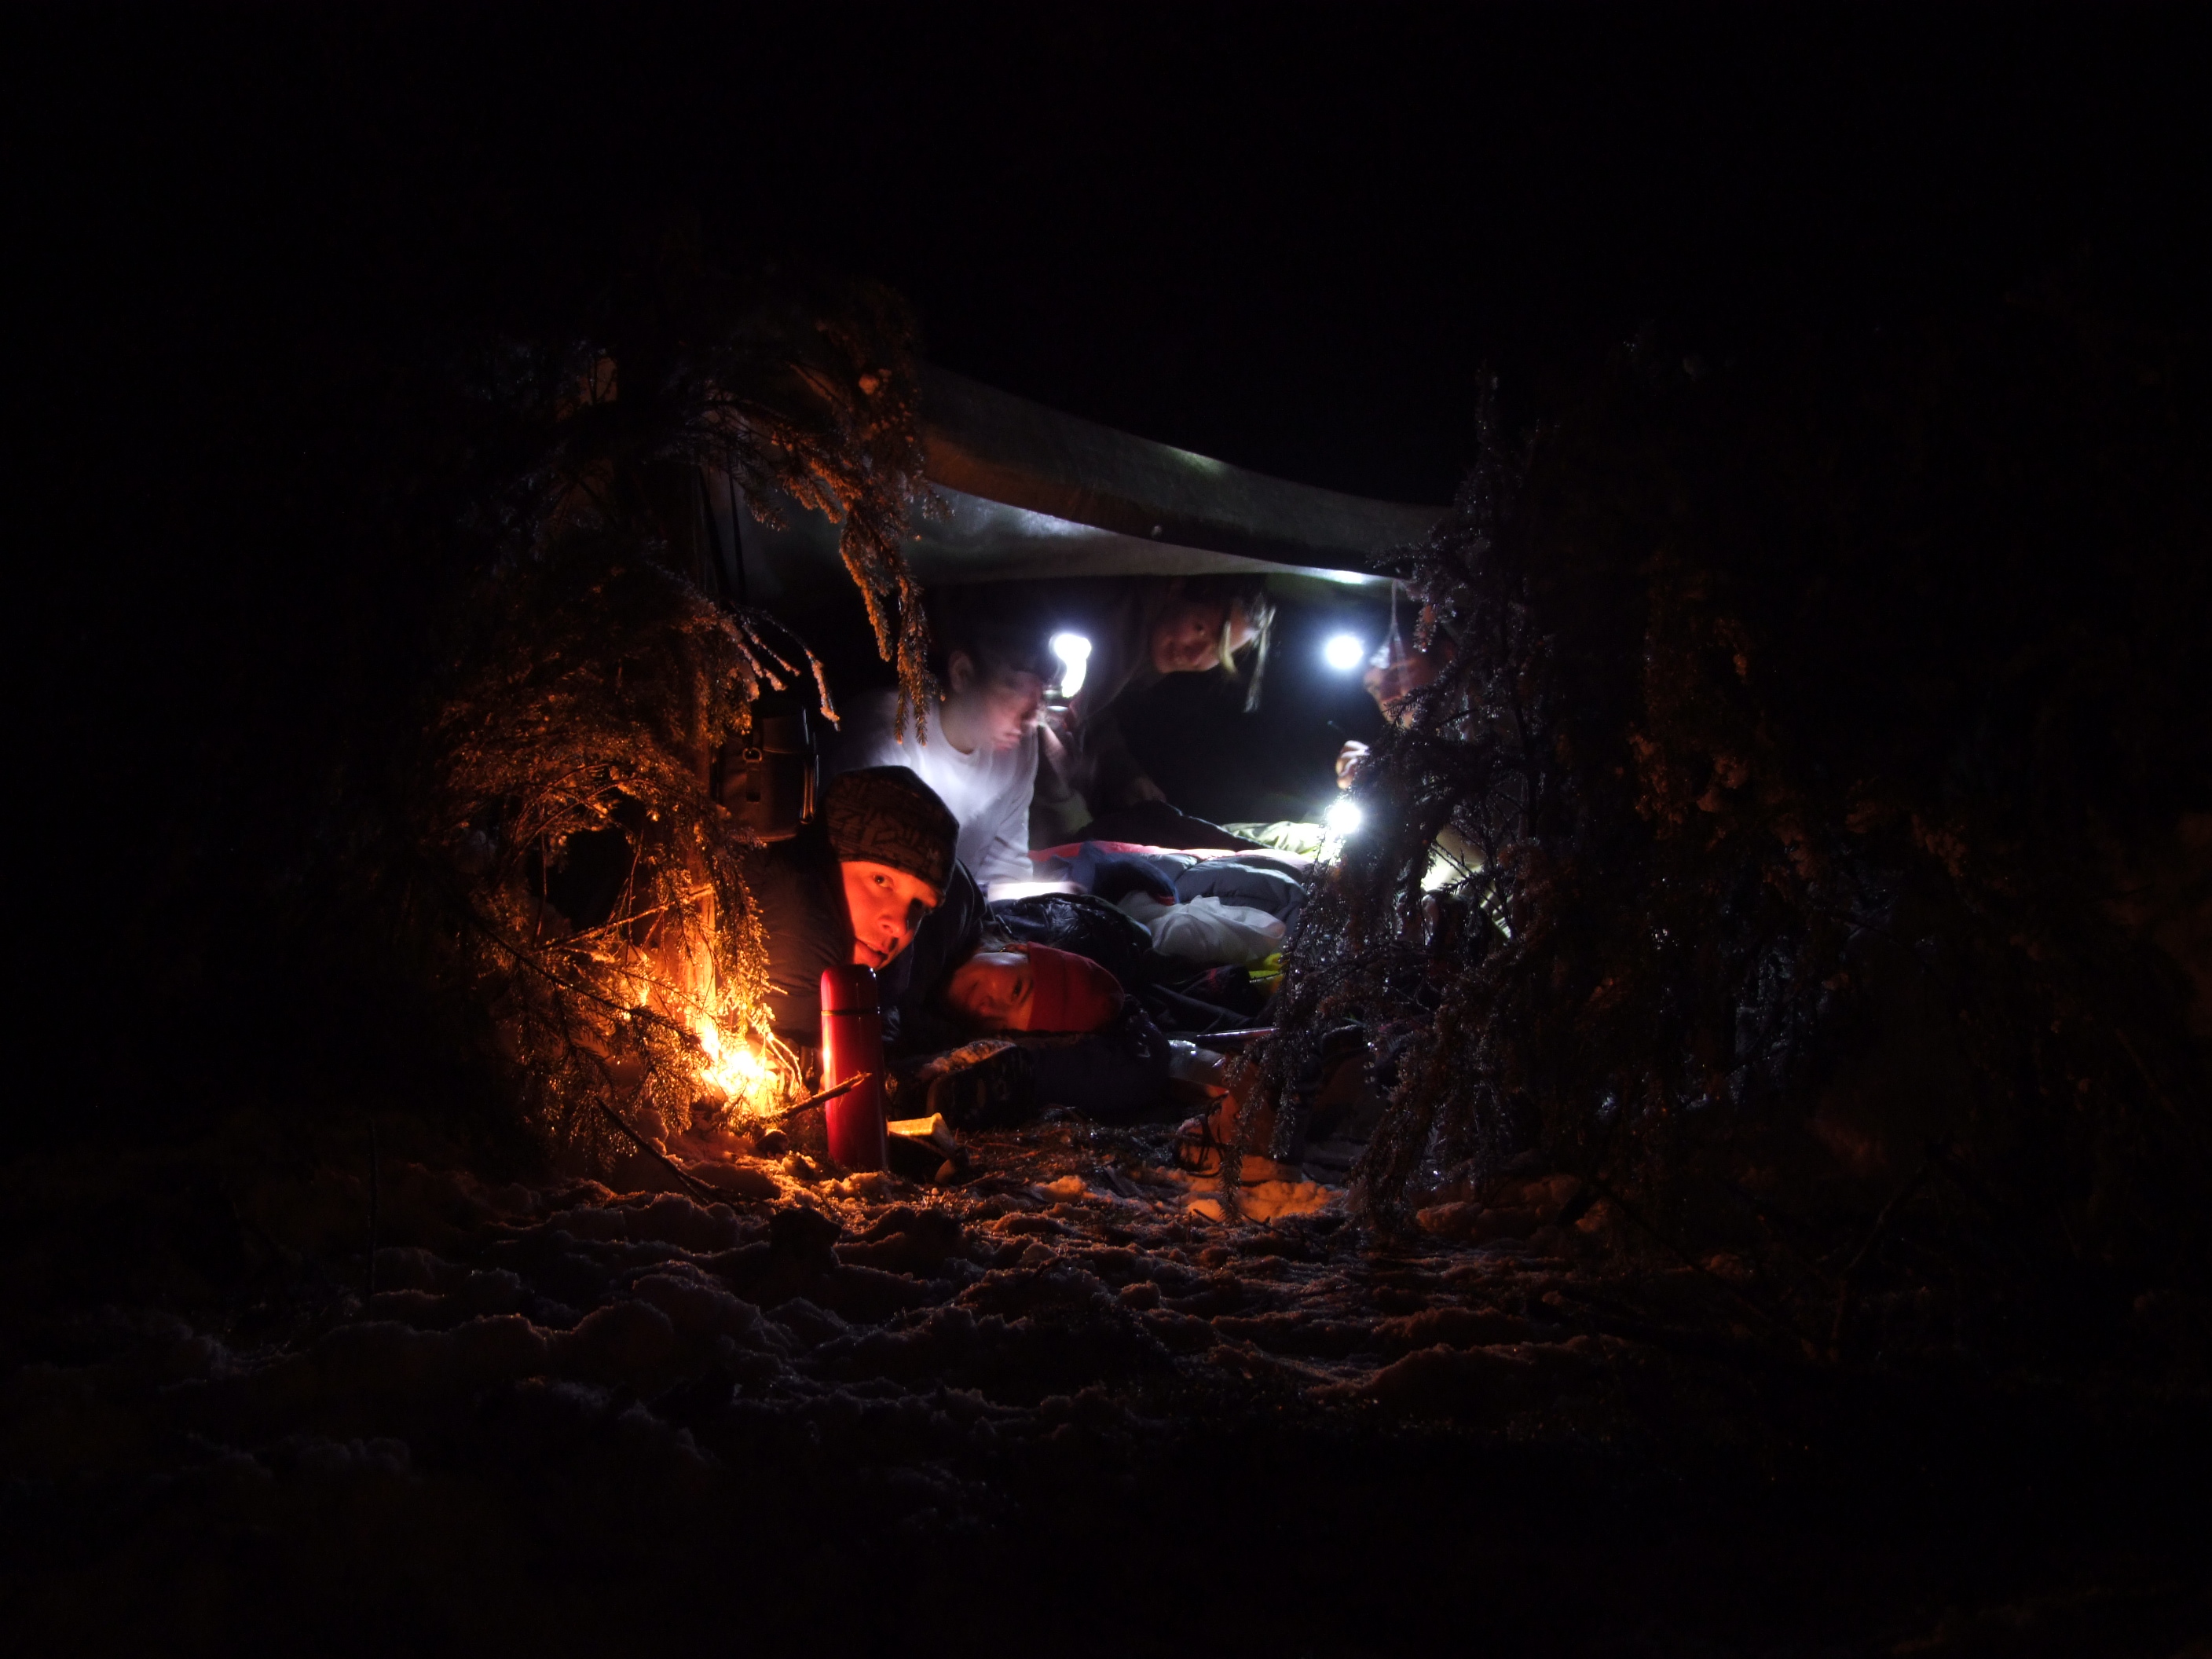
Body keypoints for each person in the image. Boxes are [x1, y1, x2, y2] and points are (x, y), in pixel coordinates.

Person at [738, 765, 980, 1059]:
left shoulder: (889, 1001)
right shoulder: (753, 941)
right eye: (881, 880)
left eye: (919, 906)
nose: (900, 926)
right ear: (823, 859)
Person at [1013, 574, 1274, 840]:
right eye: (1200, 628)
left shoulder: (1138, 656)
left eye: (1218, 653)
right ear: (1176, 589)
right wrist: (1074, 835)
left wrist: (1126, 777)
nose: (1196, 656)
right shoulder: (1116, 623)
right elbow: (1041, 728)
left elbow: (1091, 714)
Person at [831, 599, 1052, 893]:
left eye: (1040, 696)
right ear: (962, 673)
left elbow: (1005, 870)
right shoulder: (886, 740)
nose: (1030, 719)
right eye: (1015, 689)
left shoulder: (1020, 747)